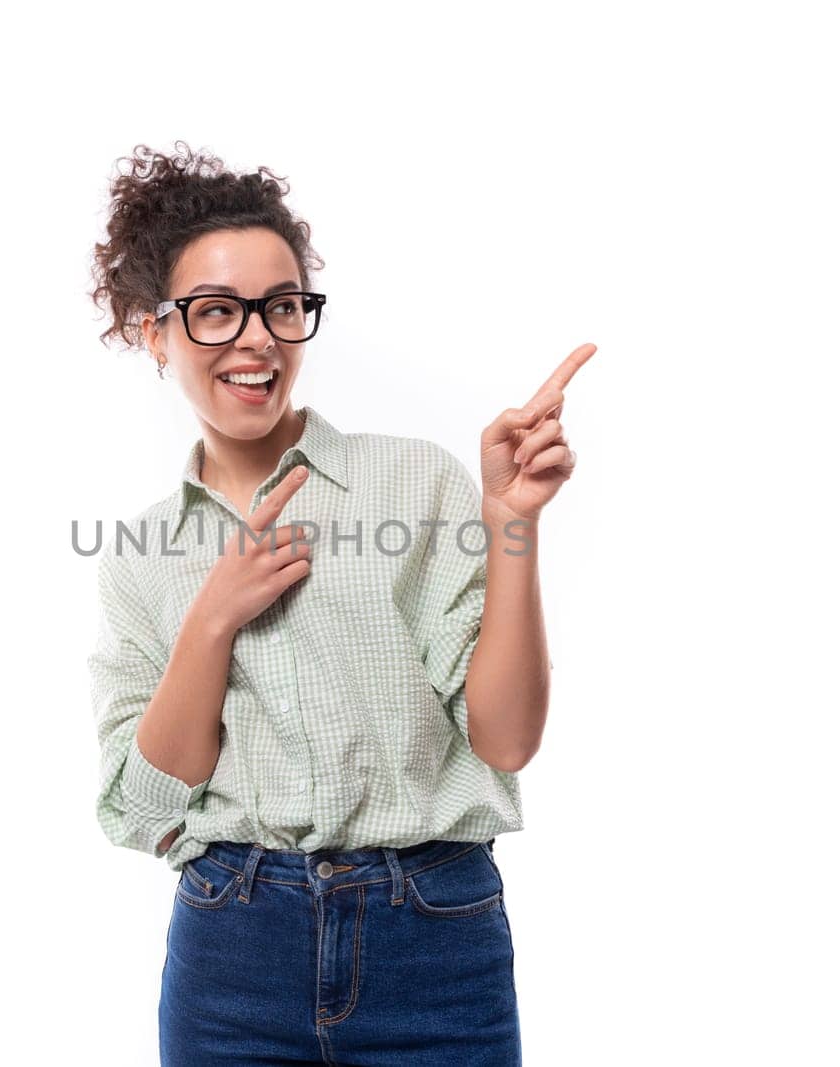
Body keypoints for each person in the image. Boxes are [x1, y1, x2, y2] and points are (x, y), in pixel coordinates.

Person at [84, 140, 595, 1066]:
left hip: (434, 936)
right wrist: (211, 618)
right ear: (154, 331)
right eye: (213, 312)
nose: (256, 338)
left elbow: (508, 741)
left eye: (281, 307)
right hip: (231, 950)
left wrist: (511, 523)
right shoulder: (141, 556)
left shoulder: (413, 484)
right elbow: (146, 804)